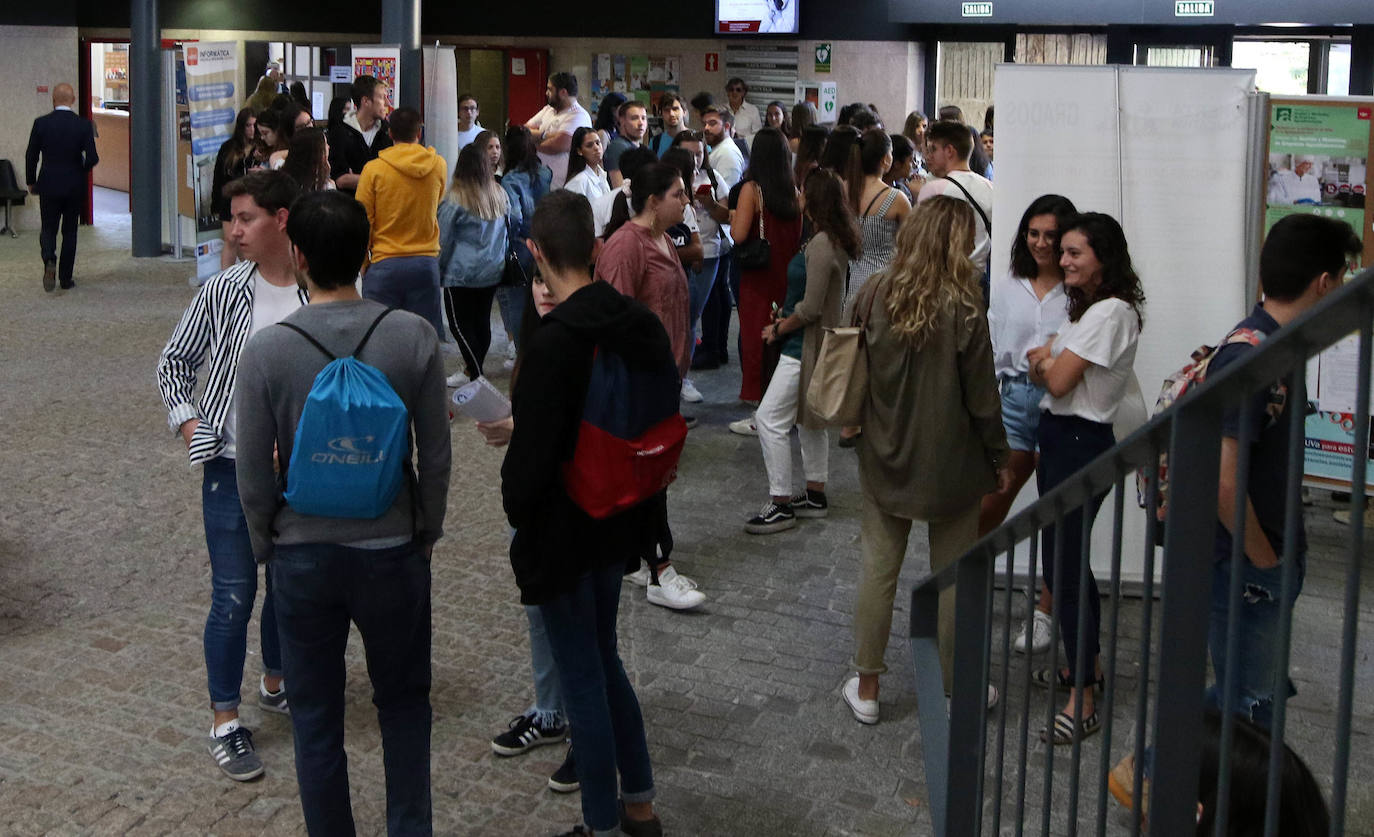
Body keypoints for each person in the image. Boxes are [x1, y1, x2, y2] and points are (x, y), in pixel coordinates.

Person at [234, 189, 450, 835]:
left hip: (302, 555)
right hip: (392, 549)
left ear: (297, 254)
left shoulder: (268, 351)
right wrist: (425, 531)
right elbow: (435, 455)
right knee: (406, 707)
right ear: (368, 253)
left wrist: (266, 543)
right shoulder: (411, 336)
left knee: (316, 717)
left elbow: (251, 473)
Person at [503, 189, 664, 837]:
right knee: (606, 657)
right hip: (622, 514)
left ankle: (601, 825)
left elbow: (527, 476)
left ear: (534, 253)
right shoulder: (637, 323)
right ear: (598, 248)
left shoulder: (553, 344)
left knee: (582, 680)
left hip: (567, 532)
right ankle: (640, 804)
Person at [155, 170, 303, 782]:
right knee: (234, 593)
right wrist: (192, 428)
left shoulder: (317, 294)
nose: (234, 230)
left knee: (288, 587)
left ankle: (276, 680)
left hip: (299, 476)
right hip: (228, 469)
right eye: (231, 219)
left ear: (282, 219)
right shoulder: (221, 293)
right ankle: (224, 721)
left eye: (245, 218)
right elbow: (173, 362)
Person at [842, 196, 1009, 725]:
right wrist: (1000, 455)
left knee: (878, 566)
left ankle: (867, 688)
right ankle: (956, 686)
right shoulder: (964, 305)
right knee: (953, 572)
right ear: (954, 246)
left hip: (885, 452)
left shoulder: (872, 293)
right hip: (951, 460)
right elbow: (983, 397)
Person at [1202, 213, 1358, 729]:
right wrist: (1265, 564)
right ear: (1325, 283)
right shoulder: (1253, 356)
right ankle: (1165, 780)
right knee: (1250, 707)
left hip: (1256, 556)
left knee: (1245, 692)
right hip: (1248, 563)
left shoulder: (1272, 345)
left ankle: (1152, 771)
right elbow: (1224, 480)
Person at [1025, 211, 1146, 744]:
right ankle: (1084, 668)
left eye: (1075, 252)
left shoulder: (1112, 312)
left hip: (1079, 444)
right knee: (1066, 566)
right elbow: (1046, 364)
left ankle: (1084, 700)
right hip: (1060, 439)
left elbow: (1054, 375)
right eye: (1061, 249)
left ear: (1104, 258)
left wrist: (1048, 363)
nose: (1062, 258)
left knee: (1065, 571)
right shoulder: (1090, 308)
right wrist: (1048, 363)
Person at [596, 162, 707, 612]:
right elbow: (614, 318)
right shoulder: (627, 246)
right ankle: (660, 567)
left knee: (650, 473)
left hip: (663, 377)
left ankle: (633, 558)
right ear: (651, 200)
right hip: (638, 380)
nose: (686, 201)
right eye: (678, 193)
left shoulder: (663, 238)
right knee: (650, 473)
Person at [979, 195, 1078, 657]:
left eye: (1051, 236)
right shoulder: (1008, 283)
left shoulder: (1080, 293)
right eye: (1034, 234)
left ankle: (1044, 613)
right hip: (1015, 399)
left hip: (1064, 401)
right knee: (991, 501)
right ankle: (968, 585)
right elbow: (994, 346)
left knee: (1057, 511)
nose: (1041, 243)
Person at [746, 170, 857, 534]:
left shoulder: (824, 243)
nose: (798, 194)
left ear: (813, 198)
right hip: (806, 341)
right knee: (808, 420)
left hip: (804, 345)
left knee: (768, 419)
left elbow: (810, 309)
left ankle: (780, 501)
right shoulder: (826, 240)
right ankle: (814, 492)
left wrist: (779, 327)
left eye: (803, 190)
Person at [728, 127, 803, 428]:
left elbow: (739, 234)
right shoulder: (794, 190)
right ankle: (783, 408)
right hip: (787, 275)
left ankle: (761, 413)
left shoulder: (752, 190)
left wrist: (734, 218)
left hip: (759, 278)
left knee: (756, 340)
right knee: (782, 339)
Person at [356, 106, 448, 339]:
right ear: (419, 133)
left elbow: (362, 219)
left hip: (384, 262)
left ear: (390, 134)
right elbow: (437, 203)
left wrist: (364, 263)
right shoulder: (438, 165)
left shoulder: (373, 169)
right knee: (423, 339)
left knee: (380, 339)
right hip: (425, 263)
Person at [438, 143, 514, 383]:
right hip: (493, 270)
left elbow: (444, 240)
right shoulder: (499, 194)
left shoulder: (454, 199)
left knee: (459, 325)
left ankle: (476, 374)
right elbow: (506, 232)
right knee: (482, 323)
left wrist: (438, 270)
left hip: (461, 274)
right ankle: (474, 370)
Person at [25, 82, 98, 293]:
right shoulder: (84, 125)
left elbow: (31, 154)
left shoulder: (41, 123)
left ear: (53, 100)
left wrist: (31, 180)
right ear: (73, 100)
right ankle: (66, 278)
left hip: (48, 184)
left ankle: (49, 258)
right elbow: (93, 157)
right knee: (70, 231)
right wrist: (80, 170)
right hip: (74, 185)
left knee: (48, 227)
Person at [671, 130, 730, 392]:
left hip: (708, 253)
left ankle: (683, 376)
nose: (695, 159)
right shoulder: (667, 181)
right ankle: (671, 372)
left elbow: (727, 216)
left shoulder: (713, 178)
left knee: (692, 315)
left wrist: (710, 203)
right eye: (688, 154)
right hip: (674, 255)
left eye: (699, 153)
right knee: (673, 315)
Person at [500, 124, 553, 359]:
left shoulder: (510, 179)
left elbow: (514, 216)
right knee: (543, 302)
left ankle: (524, 356)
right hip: (545, 245)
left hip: (521, 246)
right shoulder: (545, 173)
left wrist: (511, 239)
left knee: (518, 306)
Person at [918, 120, 993, 282]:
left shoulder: (933, 189)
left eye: (933, 149)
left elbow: (923, 244)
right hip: (979, 280)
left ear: (949, 151)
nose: (928, 156)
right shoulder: (991, 188)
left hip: (942, 281)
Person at [847, 130, 912, 306]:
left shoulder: (845, 190)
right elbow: (912, 244)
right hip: (885, 284)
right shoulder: (896, 198)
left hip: (851, 282)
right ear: (886, 159)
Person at [525, 71, 592, 189]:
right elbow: (524, 131)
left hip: (563, 185)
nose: (546, 93)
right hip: (541, 181)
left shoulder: (579, 115)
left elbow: (558, 145)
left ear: (563, 92)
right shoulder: (548, 110)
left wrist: (533, 142)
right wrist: (546, 135)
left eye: (550, 89)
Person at [211, 108, 260, 269]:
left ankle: (246, 273)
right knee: (231, 239)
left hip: (252, 199)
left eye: (255, 125)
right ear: (241, 127)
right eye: (248, 125)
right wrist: (215, 204)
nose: (252, 129)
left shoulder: (260, 149)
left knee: (247, 241)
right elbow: (218, 177)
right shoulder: (229, 148)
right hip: (229, 198)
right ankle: (226, 278)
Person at [330, 75, 393, 194]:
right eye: (382, 98)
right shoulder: (340, 132)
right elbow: (341, 179)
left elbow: (394, 177)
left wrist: (356, 178)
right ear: (366, 101)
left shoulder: (387, 132)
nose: (387, 103)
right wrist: (382, 179)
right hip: (351, 208)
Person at [606, 100, 648, 188]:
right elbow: (619, 188)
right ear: (622, 121)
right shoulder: (617, 147)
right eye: (634, 118)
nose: (641, 123)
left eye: (643, 118)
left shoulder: (642, 148)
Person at [563, 126, 610, 204]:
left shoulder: (601, 174)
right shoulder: (578, 182)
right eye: (589, 145)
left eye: (598, 143)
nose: (596, 148)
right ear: (579, 151)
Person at [280, 127, 334, 192]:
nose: (328, 147)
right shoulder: (325, 187)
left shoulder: (282, 173)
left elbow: (274, 156)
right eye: (325, 144)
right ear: (316, 154)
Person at [724, 77, 762, 147]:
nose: (734, 92)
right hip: (726, 150)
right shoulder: (721, 110)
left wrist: (741, 141)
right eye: (731, 89)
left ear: (743, 93)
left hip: (746, 150)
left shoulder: (753, 110)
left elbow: (757, 135)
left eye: (738, 90)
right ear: (728, 92)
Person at [649, 92, 688, 157]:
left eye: (675, 109)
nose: (671, 114)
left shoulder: (697, 139)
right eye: (666, 110)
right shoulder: (655, 142)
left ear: (684, 112)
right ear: (661, 114)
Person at [884, 133, 916, 202]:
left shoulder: (902, 187)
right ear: (897, 164)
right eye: (910, 160)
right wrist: (917, 194)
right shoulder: (895, 196)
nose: (914, 164)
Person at [902, 110, 930, 182]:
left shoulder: (929, 149)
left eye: (924, 126)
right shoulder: (904, 148)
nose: (922, 130)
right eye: (917, 126)